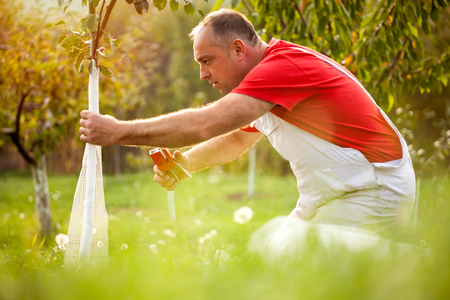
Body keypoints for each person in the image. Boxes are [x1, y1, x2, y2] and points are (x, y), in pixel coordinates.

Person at [79, 9, 415, 254]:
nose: (202, 74)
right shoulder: (266, 80)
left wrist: (119, 131)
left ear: (239, 49)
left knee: (292, 253)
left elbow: (205, 124)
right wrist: (186, 164)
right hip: (338, 192)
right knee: (262, 250)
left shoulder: (281, 69)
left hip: (373, 188)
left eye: (206, 61)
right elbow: (239, 136)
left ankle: (418, 262)